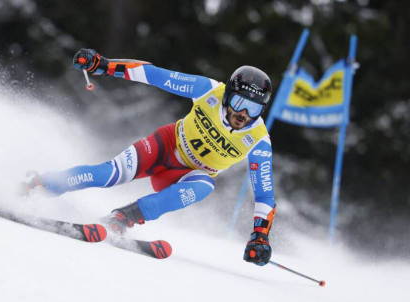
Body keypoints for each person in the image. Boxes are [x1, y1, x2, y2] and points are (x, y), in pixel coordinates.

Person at [23, 48, 276, 266]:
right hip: (165, 146)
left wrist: (260, 236)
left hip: (189, 175)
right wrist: (105, 65)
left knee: (204, 186)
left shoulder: (259, 140)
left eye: (253, 108)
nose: (243, 113)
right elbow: (155, 75)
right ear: (227, 95)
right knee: (108, 174)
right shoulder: (209, 91)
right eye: (238, 102)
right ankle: (40, 184)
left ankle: (121, 219)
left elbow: (264, 194)